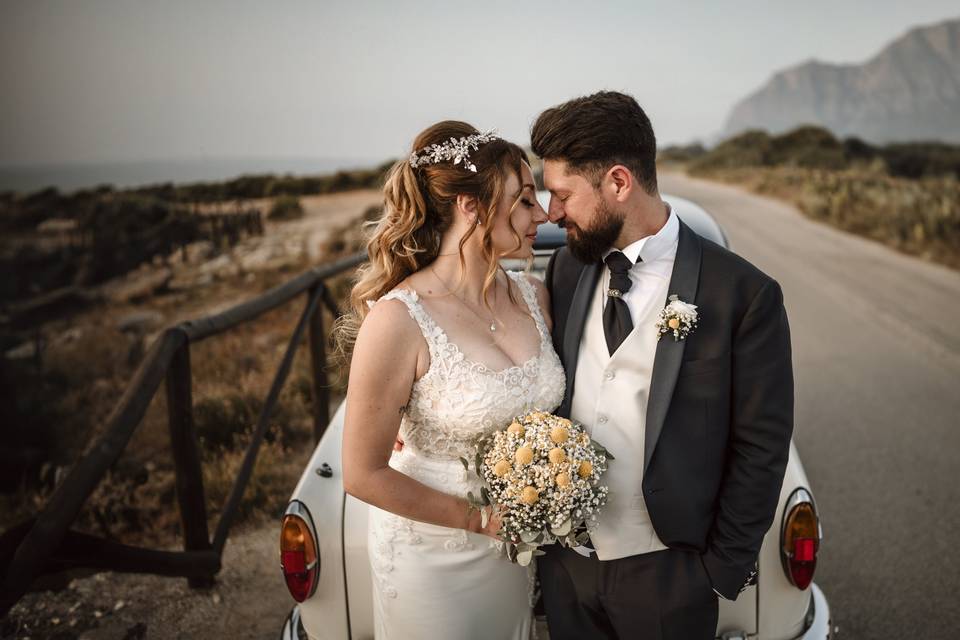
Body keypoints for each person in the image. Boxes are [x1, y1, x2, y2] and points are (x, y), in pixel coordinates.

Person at [532, 91, 794, 639]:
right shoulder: (566, 270)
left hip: (670, 576)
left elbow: (762, 445)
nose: (552, 213)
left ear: (619, 183)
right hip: (568, 568)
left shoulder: (742, 293)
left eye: (562, 195)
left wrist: (715, 573)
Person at [338, 121, 564, 639]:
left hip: (515, 555)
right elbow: (362, 473)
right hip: (431, 557)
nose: (544, 214)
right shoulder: (398, 321)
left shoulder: (534, 295)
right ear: (472, 207)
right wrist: (478, 520)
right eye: (525, 201)